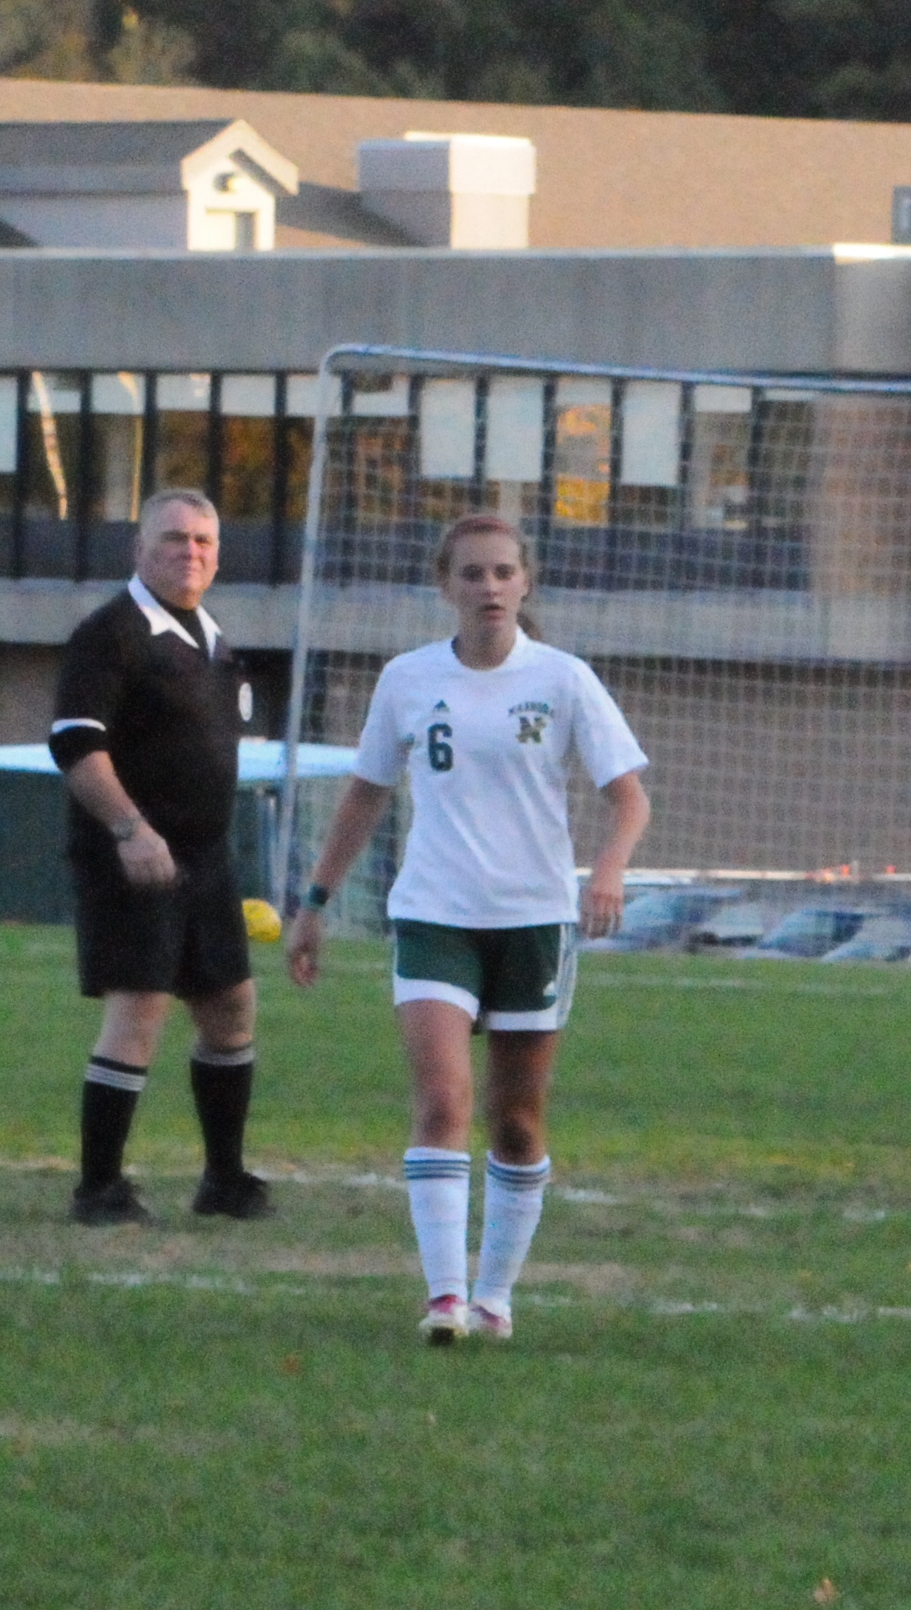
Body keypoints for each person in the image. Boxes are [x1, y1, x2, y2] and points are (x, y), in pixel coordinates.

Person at [286, 511, 651, 1345]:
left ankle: (495, 1297)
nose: (489, 586)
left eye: (503, 572)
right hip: (434, 913)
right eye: (472, 573)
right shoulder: (408, 679)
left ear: (526, 583)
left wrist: (608, 868)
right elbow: (365, 795)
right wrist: (314, 903)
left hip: (533, 920)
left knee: (516, 1121)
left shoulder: (563, 679)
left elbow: (629, 798)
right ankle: (445, 1298)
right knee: (443, 1099)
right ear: (445, 586)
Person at [52, 488, 270, 1225]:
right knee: (139, 1010)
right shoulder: (109, 634)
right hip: (132, 857)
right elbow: (75, 745)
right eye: (175, 538)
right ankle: (98, 1188)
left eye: (204, 540)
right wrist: (130, 829)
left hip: (206, 859)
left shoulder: (212, 638)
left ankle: (224, 1180)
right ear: (139, 548)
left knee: (231, 1007)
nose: (191, 552)